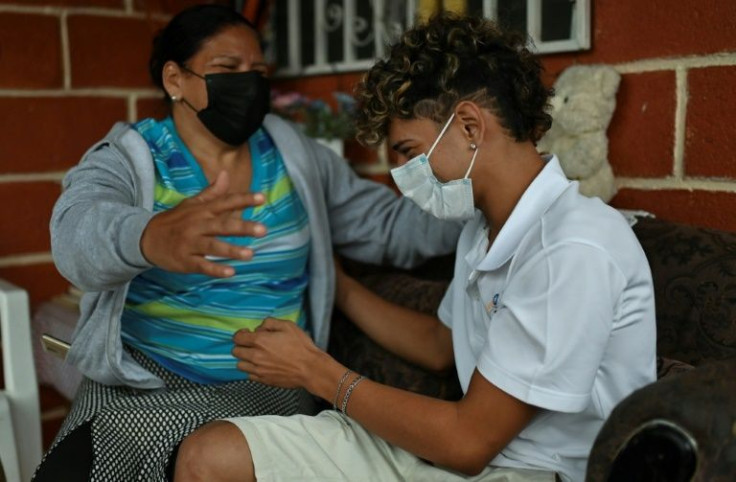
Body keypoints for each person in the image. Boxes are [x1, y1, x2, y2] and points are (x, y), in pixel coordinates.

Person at [172, 12, 657, 482]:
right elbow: (441, 345)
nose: (402, 177)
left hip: (531, 470)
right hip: (469, 455)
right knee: (210, 456)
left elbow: (468, 443)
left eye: (408, 152)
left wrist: (318, 373)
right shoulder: (485, 224)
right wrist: (336, 285)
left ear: (469, 127)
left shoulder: (570, 248)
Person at [34, 5, 460, 482]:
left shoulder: (293, 153)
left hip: (266, 379)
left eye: (258, 71)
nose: (249, 83)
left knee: (152, 445)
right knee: (83, 455)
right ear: (175, 79)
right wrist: (151, 236)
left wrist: (476, 200)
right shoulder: (132, 158)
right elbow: (75, 233)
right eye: (227, 70)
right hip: (139, 379)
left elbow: (385, 226)